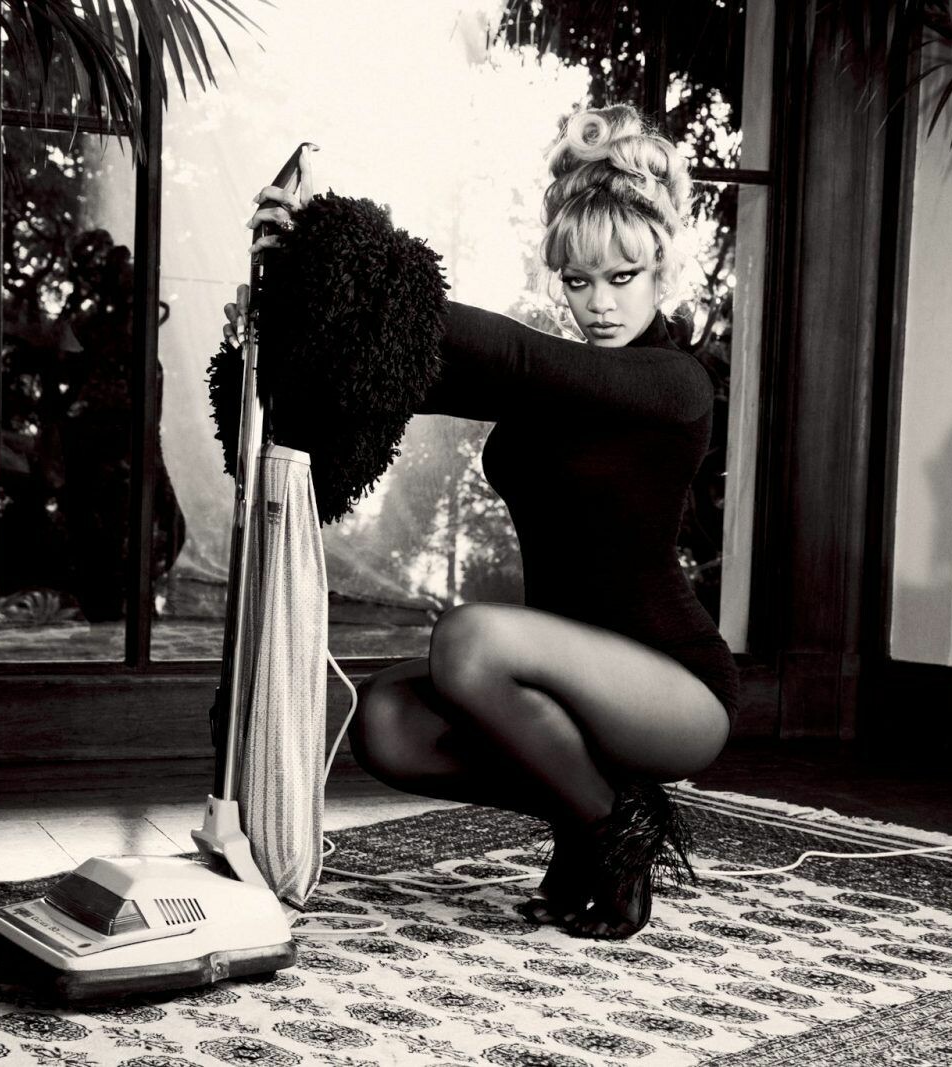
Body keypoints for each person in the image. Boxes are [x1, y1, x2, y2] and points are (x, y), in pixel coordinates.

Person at [226, 103, 739, 940]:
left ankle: (612, 835)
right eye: (579, 281)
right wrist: (295, 308)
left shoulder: (674, 386)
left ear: (661, 271)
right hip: (560, 685)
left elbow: (515, 355)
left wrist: (345, 248)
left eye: (623, 278)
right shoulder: (560, 381)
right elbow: (406, 369)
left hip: (674, 689)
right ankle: (595, 803)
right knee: (386, 719)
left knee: (468, 641)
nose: (600, 304)